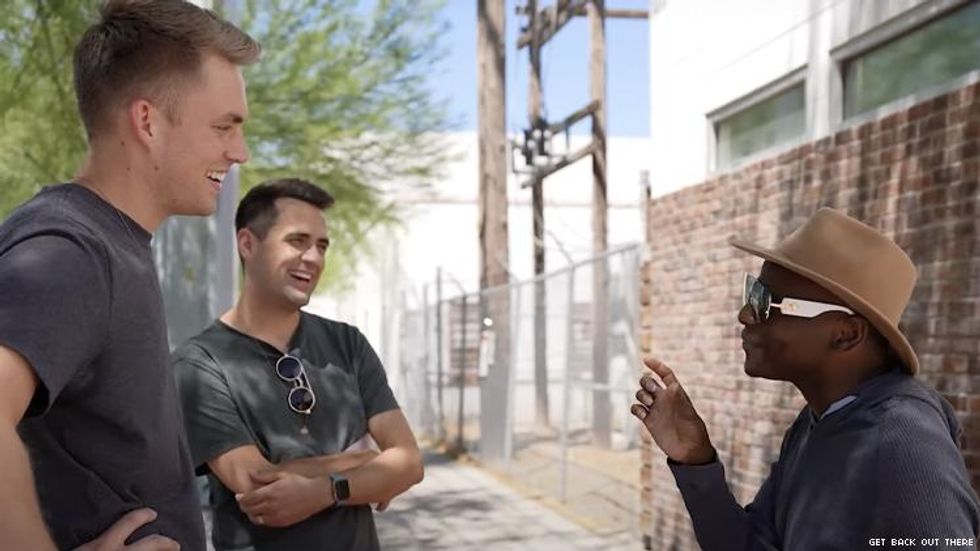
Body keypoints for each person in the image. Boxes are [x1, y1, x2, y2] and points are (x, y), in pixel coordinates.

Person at [0, 1, 259, 549]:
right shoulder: (70, 250)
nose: (240, 151)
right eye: (223, 126)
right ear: (147, 121)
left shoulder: (112, 245)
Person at [631, 208, 980, 550]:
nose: (745, 315)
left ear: (845, 333)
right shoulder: (816, 423)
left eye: (767, 302)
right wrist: (696, 460)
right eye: (752, 293)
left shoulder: (905, 440)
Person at [173, 178, 424, 551]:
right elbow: (258, 483)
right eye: (297, 241)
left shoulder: (347, 343)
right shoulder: (200, 363)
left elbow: (409, 462)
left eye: (321, 246)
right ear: (247, 244)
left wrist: (328, 490)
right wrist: (367, 462)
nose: (314, 258)